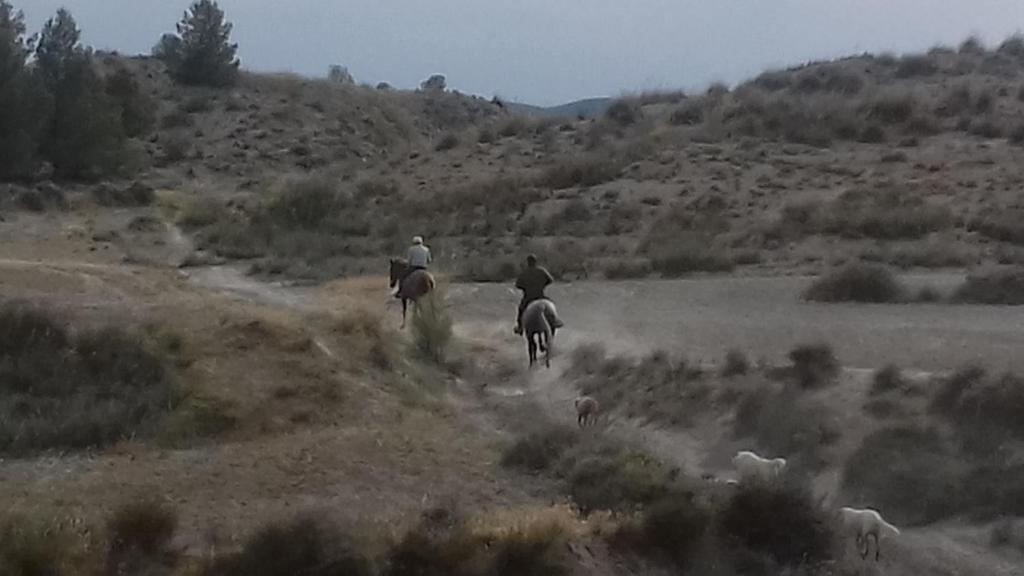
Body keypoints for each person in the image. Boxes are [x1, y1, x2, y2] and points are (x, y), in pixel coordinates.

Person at [513, 254, 554, 335]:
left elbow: (517, 285)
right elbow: (550, 280)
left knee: (521, 310)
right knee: (551, 306)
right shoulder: (542, 271)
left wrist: (525, 287)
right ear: (536, 262)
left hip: (528, 298)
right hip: (540, 296)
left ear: (528, 262)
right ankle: (555, 321)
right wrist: (542, 285)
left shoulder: (524, 273)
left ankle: (520, 327)